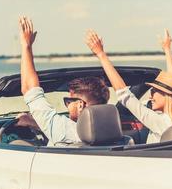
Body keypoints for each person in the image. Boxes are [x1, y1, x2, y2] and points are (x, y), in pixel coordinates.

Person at [19, 16, 109, 146]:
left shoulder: (65, 130)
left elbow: (29, 90)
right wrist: (34, 123)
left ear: (80, 105)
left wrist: (25, 45)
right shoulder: (116, 135)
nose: (66, 106)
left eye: (68, 101)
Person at [85, 29, 172, 144]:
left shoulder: (160, 121)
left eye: (154, 91)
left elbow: (124, 95)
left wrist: (101, 54)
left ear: (168, 96)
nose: (151, 96)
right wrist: (167, 50)